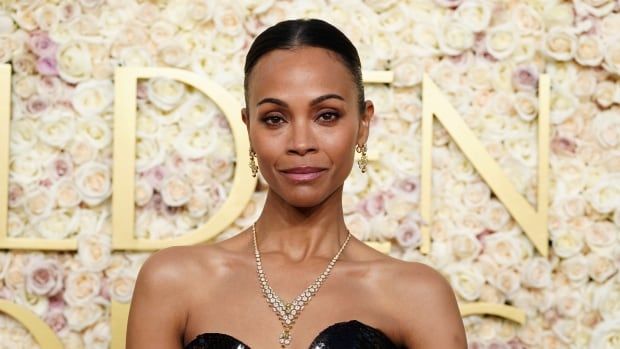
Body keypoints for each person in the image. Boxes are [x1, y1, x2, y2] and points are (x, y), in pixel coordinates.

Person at [126, 18, 467, 349]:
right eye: (275, 119)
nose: (301, 142)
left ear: (363, 124)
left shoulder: (417, 294)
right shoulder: (172, 280)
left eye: (326, 116)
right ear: (248, 128)